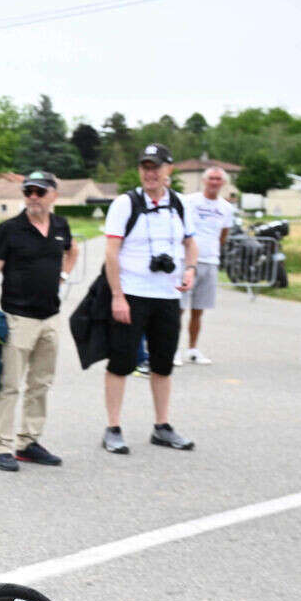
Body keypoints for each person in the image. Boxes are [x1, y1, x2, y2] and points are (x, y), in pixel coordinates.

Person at [99, 143, 198, 453]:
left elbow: (190, 244)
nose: (150, 173)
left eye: (156, 167)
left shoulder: (180, 204)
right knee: (121, 363)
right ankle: (113, 427)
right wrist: (117, 296)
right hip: (131, 295)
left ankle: (162, 426)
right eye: (145, 167)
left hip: (168, 297)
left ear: (168, 170)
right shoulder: (125, 204)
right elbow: (111, 254)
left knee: (163, 364)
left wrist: (190, 269)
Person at [0, 170, 79, 471]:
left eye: (39, 191)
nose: (33, 197)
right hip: (17, 319)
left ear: (53, 195)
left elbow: (72, 251)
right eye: (28, 192)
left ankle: (28, 442)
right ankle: (1, 445)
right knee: (10, 386)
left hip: (50, 318)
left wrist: (62, 274)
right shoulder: (9, 229)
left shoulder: (61, 226)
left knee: (40, 383)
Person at [177, 167, 235, 365]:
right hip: (187, 261)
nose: (214, 182)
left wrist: (212, 250)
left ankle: (192, 349)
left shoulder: (226, 208)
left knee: (198, 310)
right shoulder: (190, 201)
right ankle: (173, 349)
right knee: (179, 308)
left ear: (223, 183)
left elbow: (223, 235)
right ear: (204, 180)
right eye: (211, 178)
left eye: (218, 179)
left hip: (210, 261)